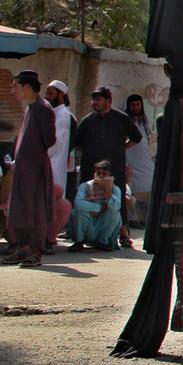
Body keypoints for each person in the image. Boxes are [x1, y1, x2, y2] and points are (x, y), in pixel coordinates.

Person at [71, 86, 140, 249]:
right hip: (91, 169)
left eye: (98, 99)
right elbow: (77, 143)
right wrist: (91, 153)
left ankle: (123, 234)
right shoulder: (88, 120)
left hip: (114, 167)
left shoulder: (121, 118)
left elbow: (136, 138)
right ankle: (83, 238)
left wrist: (120, 149)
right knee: (87, 199)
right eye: (93, 99)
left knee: (118, 199)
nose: (94, 102)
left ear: (108, 101)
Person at [3, 71, 58, 267]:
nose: (12, 91)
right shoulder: (30, 108)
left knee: (36, 210)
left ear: (26, 87)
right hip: (24, 168)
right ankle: (22, 248)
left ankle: (35, 251)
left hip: (36, 169)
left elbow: (49, 139)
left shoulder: (43, 109)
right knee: (21, 208)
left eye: (15, 86)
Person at [69, 160, 124, 251]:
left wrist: (107, 189)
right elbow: (78, 204)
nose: (101, 176)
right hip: (88, 223)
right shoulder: (85, 186)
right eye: (99, 173)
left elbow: (115, 207)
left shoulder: (115, 189)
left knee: (115, 214)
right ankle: (79, 241)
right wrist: (100, 208)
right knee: (77, 212)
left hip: (102, 225)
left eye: (104, 173)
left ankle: (103, 242)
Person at [121, 93, 156, 229]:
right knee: (131, 188)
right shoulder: (125, 120)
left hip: (145, 159)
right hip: (130, 159)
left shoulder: (144, 120)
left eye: (138, 105)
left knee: (149, 183)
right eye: (133, 105)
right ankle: (132, 219)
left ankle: (145, 217)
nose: (135, 107)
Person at [44, 79, 76, 201]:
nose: (47, 97)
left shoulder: (63, 115)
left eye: (50, 94)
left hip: (56, 166)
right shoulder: (54, 113)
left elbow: (53, 144)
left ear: (61, 94)